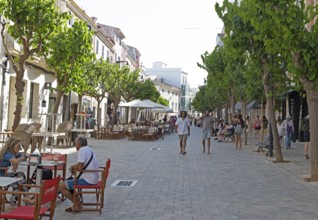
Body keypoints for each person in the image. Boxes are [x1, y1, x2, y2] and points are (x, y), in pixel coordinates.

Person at [59, 136, 100, 212]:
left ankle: (77, 204)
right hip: (93, 178)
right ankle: (77, 203)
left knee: (61, 186)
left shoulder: (82, 150)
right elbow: (81, 165)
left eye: (75, 144)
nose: (75, 146)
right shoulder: (89, 149)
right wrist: (74, 167)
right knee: (68, 183)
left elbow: (80, 167)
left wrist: (72, 167)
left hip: (88, 180)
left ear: (78, 144)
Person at [0, 137, 28, 206]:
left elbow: (21, 154)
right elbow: (15, 160)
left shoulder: (11, 153)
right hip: (1, 176)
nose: (19, 148)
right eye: (18, 146)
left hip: (4, 174)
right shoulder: (7, 154)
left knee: (20, 177)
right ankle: (25, 197)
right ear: (12, 145)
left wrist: (17, 162)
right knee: (19, 177)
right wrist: (22, 158)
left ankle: (18, 199)